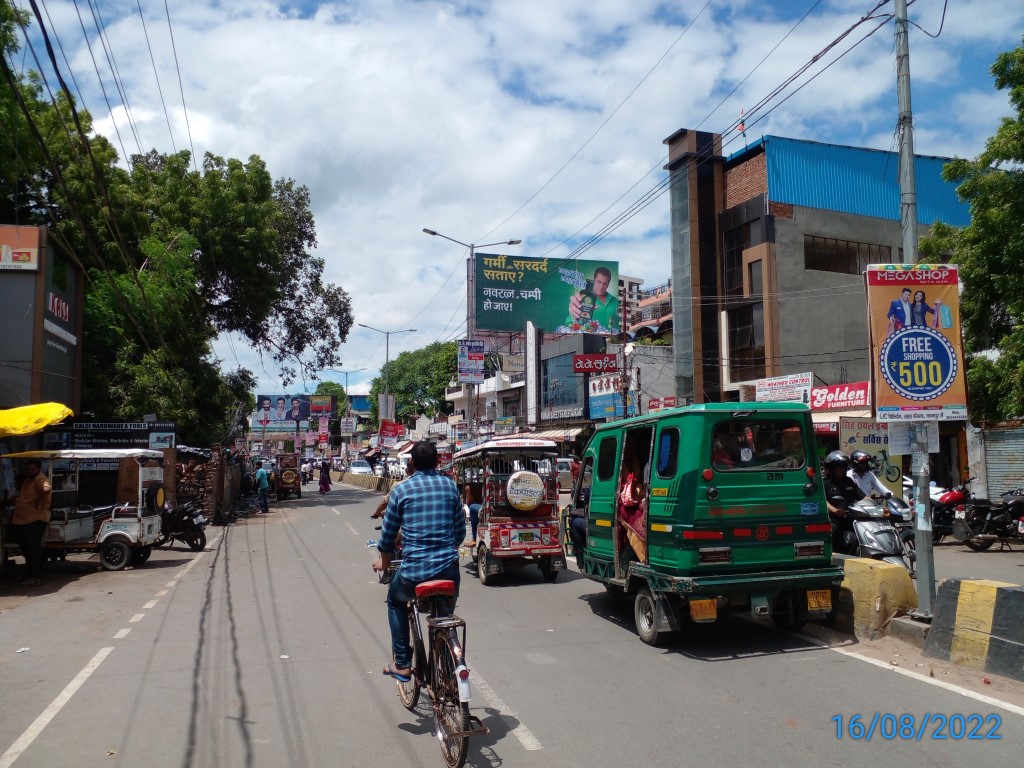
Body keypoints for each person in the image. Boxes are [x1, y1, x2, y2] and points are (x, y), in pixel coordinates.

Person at [373, 441, 464, 683]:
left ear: (411, 464)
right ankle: (448, 667)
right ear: (437, 462)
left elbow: (388, 537)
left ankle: (402, 664)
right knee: (444, 618)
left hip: (414, 573)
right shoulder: (451, 486)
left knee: (395, 601)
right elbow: (459, 533)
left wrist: (384, 563)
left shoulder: (402, 490)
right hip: (449, 570)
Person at [11, 459, 51, 585]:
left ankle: (34, 576)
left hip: (35, 519)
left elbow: (46, 487)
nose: (31, 471)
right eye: (29, 469)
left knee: (32, 549)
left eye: (33, 469)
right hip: (23, 519)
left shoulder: (40, 478)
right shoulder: (29, 479)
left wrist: (42, 495)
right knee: (26, 549)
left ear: (38, 469)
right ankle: (30, 575)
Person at [822, 451, 864, 555]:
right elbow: (823, 500)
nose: (842, 469)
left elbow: (863, 497)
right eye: (839, 467)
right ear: (831, 468)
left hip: (850, 517)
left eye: (844, 467)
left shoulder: (849, 481)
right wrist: (835, 510)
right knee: (834, 529)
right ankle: (830, 557)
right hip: (833, 519)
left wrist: (877, 507)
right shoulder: (825, 483)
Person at [565, 266, 620, 332]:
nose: (601, 286)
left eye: (605, 283)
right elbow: (570, 324)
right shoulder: (582, 297)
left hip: (611, 341)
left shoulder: (615, 302)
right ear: (594, 281)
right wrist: (573, 314)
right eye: (599, 282)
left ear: (608, 284)